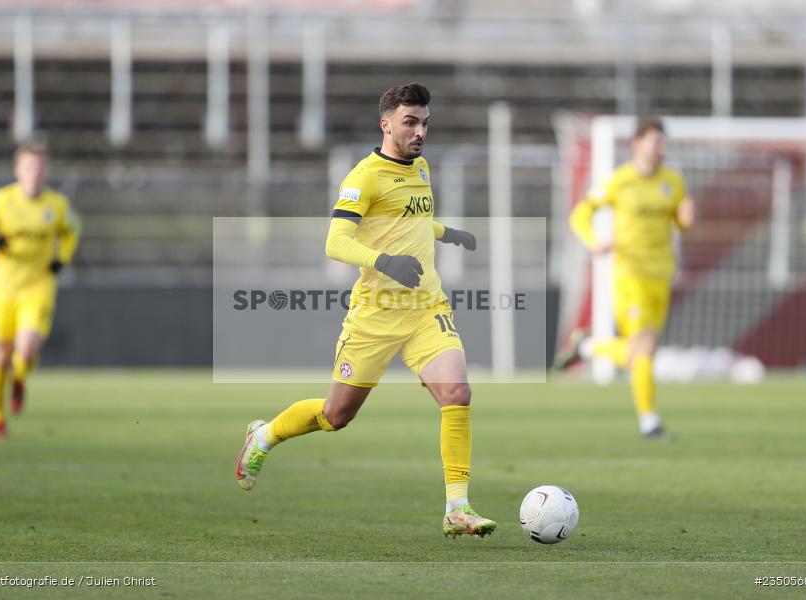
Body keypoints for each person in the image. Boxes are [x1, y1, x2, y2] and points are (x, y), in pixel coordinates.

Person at [235, 83, 496, 537]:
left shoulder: (421, 168)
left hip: (424, 309)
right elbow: (335, 242)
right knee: (336, 417)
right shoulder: (364, 176)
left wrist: (445, 232)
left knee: (457, 393)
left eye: (425, 123)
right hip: (374, 317)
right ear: (387, 124)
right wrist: (384, 262)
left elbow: (406, 220)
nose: (419, 132)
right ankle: (264, 435)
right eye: (410, 122)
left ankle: (458, 506)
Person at [555, 117, 695, 440]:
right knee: (643, 346)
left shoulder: (672, 181)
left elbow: (680, 217)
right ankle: (650, 422)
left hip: (662, 275)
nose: (661, 149)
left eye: (663, 143)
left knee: (642, 350)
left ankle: (588, 347)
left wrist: (686, 218)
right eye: (655, 142)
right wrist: (593, 241)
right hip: (630, 275)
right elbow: (580, 214)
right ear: (637, 144)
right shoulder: (620, 181)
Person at [0, 141, 81, 438]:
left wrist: (62, 259)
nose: (35, 173)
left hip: (38, 287)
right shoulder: (0, 202)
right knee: (0, 354)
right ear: (18, 170)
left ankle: (20, 377)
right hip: (3, 289)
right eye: (29, 166)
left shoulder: (57, 206)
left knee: (25, 349)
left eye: (40, 167)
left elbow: (72, 232)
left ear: (46, 171)